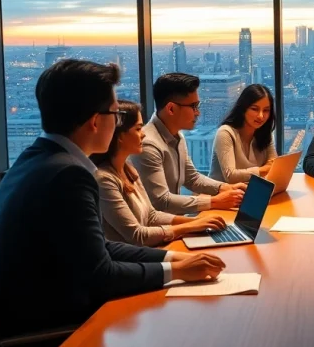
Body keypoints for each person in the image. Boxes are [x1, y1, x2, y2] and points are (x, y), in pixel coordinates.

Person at [0, 60, 225, 347]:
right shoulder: (70, 175)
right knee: (184, 341)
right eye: (115, 113)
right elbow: (100, 276)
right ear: (96, 121)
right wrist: (174, 271)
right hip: (53, 340)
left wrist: (171, 259)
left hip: (38, 311)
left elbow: (99, 250)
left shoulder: (38, 159)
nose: (120, 122)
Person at [92, 100, 228, 246]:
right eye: (138, 129)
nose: (143, 135)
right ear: (120, 136)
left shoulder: (128, 170)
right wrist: (190, 226)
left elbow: (151, 216)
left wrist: (198, 222)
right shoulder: (104, 179)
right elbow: (137, 236)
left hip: (145, 252)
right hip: (129, 261)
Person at [131, 73, 246, 214]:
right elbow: (161, 201)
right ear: (171, 109)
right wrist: (215, 201)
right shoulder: (149, 145)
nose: (197, 113)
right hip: (160, 231)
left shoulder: (177, 134)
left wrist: (225, 188)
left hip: (175, 224)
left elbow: (191, 178)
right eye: (194, 106)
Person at [210, 84, 278, 183]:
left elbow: (274, 166)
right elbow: (231, 176)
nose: (261, 116)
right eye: (255, 109)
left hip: (251, 192)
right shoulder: (225, 133)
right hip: (221, 195)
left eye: (266, 110)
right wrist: (262, 170)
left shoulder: (266, 133)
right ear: (243, 109)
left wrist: (266, 169)